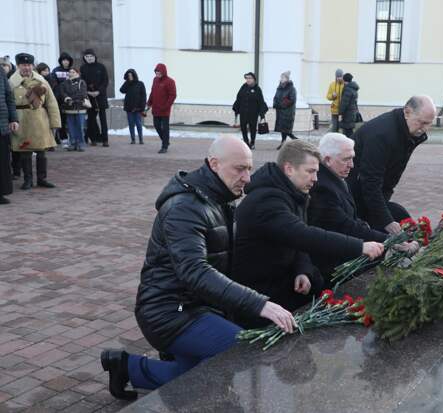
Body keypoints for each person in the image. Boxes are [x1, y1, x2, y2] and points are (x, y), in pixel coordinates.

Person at [100, 136, 296, 400]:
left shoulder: (220, 197)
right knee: (242, 351)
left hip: (199, 305)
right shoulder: (185, 207)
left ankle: (128, 367)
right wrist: (260, 304)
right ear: (214, 164)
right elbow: (195, 271)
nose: (247, 178)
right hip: (169, 311)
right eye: (240, 169)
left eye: (249, 168)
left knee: (198, 375)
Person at [232, 140, 384, 327]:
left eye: (317, 172)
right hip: (257, 293)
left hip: (282, 279)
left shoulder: (290, 192)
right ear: (289, 169)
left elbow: (294, 239)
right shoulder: (267, 200)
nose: (315, 179)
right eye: (310, 171)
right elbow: (303, 234)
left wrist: (301, 269)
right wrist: (360, 246)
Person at [308, 133, 419, 279]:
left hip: (343, 242)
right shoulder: (322, 187)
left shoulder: (334, 177)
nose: (352, 165)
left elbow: (352, 219)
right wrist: (391, 241)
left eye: (352, 158)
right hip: (330, 260)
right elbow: (346, 226)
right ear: (328, 160)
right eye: (346, 159)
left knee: (394, 212)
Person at [347, 96, 436, 233]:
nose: (425, 129)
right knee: (380, 231)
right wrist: (385, 220)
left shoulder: (406, 132)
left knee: (397, 216)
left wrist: (383, 212)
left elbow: (391, 177)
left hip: (369, 193)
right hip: (350, 193)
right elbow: (370, 182)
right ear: (407, 112)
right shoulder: (382, 135)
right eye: (421, 122)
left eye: (428, 124)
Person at [9, 53, 60, 190]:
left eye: (29, 65)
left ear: (33, 66)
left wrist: (55, 122)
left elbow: (51, 102)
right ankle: (28, 180)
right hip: (21, 119)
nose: (26, 68)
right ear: (18, 66)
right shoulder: (11, 82)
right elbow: (8, 103)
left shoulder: (42, 80)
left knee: (41, 150)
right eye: (23, 65)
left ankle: (42, 179)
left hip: (39, 118)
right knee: (25, 151)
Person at [80, 48, 109, 147]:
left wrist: (98, 91)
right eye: (87, 56)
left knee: (103, 119)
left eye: (91, 56)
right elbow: (82, 82)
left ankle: (105, 140)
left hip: (100, 96)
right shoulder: (83, 68)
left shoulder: (101, 67)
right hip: (89, 97)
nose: (89, 58)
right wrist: (87, 92)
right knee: (91, 119)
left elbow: (105, 81)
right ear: (84, 58)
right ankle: (93, 139)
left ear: (94, 57)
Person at [232, 72, 268, 150]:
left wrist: (262, 114)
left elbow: (261, 102)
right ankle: (246, 142)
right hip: (243, 112)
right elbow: (238, 99)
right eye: (247, 78)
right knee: (243, 128)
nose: (248, 80)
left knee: (252, 128)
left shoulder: (257, 89)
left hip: (253, 113)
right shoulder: (243, 87)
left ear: (254, 79)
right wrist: (236, 109)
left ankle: (252, 142)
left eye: (250, 78)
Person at [147, 63, 176, 154]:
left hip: (164, 110)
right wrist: (149, 103)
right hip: (156, 108)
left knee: (165, 128)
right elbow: (152, 92)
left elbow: (173, 95)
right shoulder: (155, 80)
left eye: (159, 72)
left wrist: (166, 106)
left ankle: (164, 146)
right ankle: (166, 140)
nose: (157, 74)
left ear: (163, 72)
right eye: (156, 72)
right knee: (156, 126)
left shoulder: (170, 81)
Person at [0, 65, 18, 204]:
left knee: (3, 160)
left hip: (2, 123)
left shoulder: (0, 71)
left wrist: (13, 118)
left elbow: (9, 96)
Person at [59, 67, 88, 151]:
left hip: (80, 108)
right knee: (70, 127)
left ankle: (81, 143)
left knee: (80, 126)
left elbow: (82, 93)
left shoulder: (81, 82)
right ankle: (72, 143)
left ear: (77, 73)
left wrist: (71, 98)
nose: (71, 73)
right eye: (70, 72)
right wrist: (66, 98)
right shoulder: (64, 83)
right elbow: (62, 92)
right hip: (69, 108)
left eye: (73, 72)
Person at [51, 52, 74, 147]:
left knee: (71, 120)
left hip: (71, 99)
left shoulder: (72, 71)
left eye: (67, 60)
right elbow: (54, 84)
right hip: (59, 99)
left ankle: (73, 139)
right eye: (64, 60)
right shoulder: (56, 71)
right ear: (61, 61)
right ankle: (62, 138)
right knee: (61, 119)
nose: (66, 62)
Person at [120, 69, 146, 144]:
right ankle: (133, 139)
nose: (130, 77)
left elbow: (143, 96)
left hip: (138, 107)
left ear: (134, 75)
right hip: (129, 107)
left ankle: (141, 139)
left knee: (138, 123)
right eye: (128, 76)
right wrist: (127, 82)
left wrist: (142, 106)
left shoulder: (140, 84)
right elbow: (121, 90)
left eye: (131, 75)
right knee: (131, 124)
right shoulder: (127, 84)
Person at [273, 70, 298, 150]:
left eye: (283, 77)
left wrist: (282, 104)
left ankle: (296, 141)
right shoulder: (279, 87)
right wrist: (275, 104)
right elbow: (276, 97)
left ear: (287, 79)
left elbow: (292, 99)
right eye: (281, 77)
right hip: (280, 111)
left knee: (286, 129)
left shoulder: (291, 88)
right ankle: (284, 142)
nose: (281, 79)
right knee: (282, 129)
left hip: (288, 111)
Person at [339, 73, 359, 138]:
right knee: (349, 130)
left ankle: (351, 145)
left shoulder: (348, 90)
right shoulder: (354, 88)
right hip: (352, 112)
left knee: (347, 131)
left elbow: (344, 103)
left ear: (345, 80)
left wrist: (340, 112)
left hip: (348, 114)